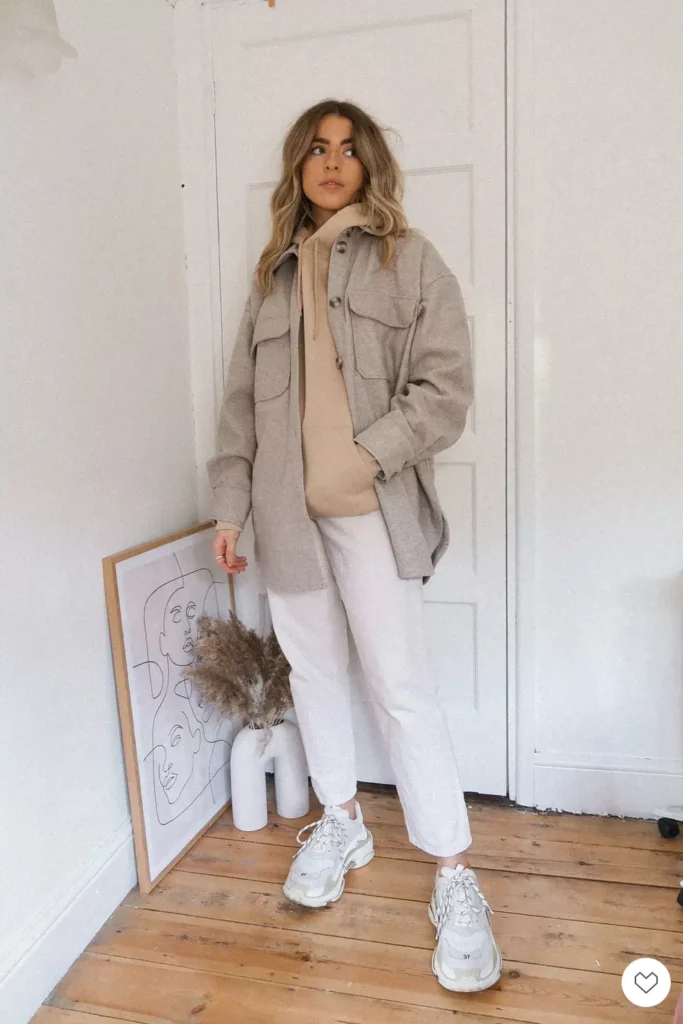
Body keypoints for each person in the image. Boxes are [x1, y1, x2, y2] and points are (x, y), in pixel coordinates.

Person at [207, 98, 502, 994]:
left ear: (368, 164)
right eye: (316, 150)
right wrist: (230, 508)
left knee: (400, 687)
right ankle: (342, 821)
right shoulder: (271, 280)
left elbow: (445, 387)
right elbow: (238, 408)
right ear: (298, 168)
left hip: (374, 508)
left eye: (347, 149)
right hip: (282, 515)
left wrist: (368, 454)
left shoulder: (409, 260)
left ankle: (452, 871)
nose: (332, 163)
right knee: (314, 676)